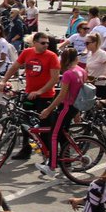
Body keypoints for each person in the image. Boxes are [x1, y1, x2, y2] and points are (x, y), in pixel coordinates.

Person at [0, 32, 59, 161]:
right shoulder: (27, 52)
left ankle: (48, 156)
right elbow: (15, 67)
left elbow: (54, 79)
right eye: (43, 43)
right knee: (25, 124)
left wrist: (40, 92)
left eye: (47, 43)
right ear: (35, 43)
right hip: (29, 94)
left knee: (45, 127)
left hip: (45, 96)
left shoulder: (52, 56)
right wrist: (4, 80)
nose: (46, 45)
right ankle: (26, 150)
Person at [35, 47, 84, 177]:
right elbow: (80, 94)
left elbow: (62, 96)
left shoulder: (68, 74)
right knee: (64, 135)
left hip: (66, 107)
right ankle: (67, 165)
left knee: (54, 135)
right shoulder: (82, 71)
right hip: (74, 107)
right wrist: (77, 113)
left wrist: (48, 109)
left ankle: (52, 166)